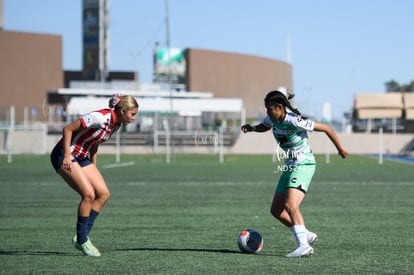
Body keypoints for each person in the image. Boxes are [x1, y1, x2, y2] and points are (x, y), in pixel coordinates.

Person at [241, 87, 348, 258]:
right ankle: (305, 233)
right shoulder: (272, 118)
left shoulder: (295, 120)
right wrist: (253, 128)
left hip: (304, 164)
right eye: (266, 108)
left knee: (291, 205)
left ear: (279, 108)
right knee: (276, 210)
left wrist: (340, 149)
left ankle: (303, 245)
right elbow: (265, 125)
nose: (267, 112)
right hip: (291, 166)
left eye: (269, 108)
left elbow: (326, 128)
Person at [50, 94, 139, 256]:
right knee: (88, 195)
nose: (134, 118)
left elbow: (94, 143)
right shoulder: (100, 117)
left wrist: (93, 166)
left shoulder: (116, 125)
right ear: (122, 110)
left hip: (82, 157)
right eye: (132, 114)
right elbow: (67, 129)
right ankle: (83, 241)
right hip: (64, 154)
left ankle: (81, 236)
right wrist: (67, 157)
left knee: (104, 194)